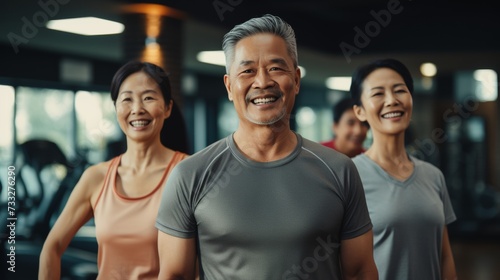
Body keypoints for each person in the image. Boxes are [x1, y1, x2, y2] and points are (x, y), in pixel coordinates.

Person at [155, 14, 378, 280]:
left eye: (275, 68)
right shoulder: (190, 175)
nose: (262, 82)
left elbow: (360, 272)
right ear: (229, 86)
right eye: (247, 70)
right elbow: (174, 275)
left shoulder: (339, 170)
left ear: (295, 80)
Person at [38, 61, 189, 279]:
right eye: (127, 99)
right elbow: (52, 247)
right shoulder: (96, 177)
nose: (137, 109)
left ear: (167, 108)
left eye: (148, 97)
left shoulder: (188, 173)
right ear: (116, 108)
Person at [350, 58, 457, 280]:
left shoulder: (433, 176)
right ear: (360, 111)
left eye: (400, 90)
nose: (392, 100)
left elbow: (445, 257)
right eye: (378, 94)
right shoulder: (349, 176)